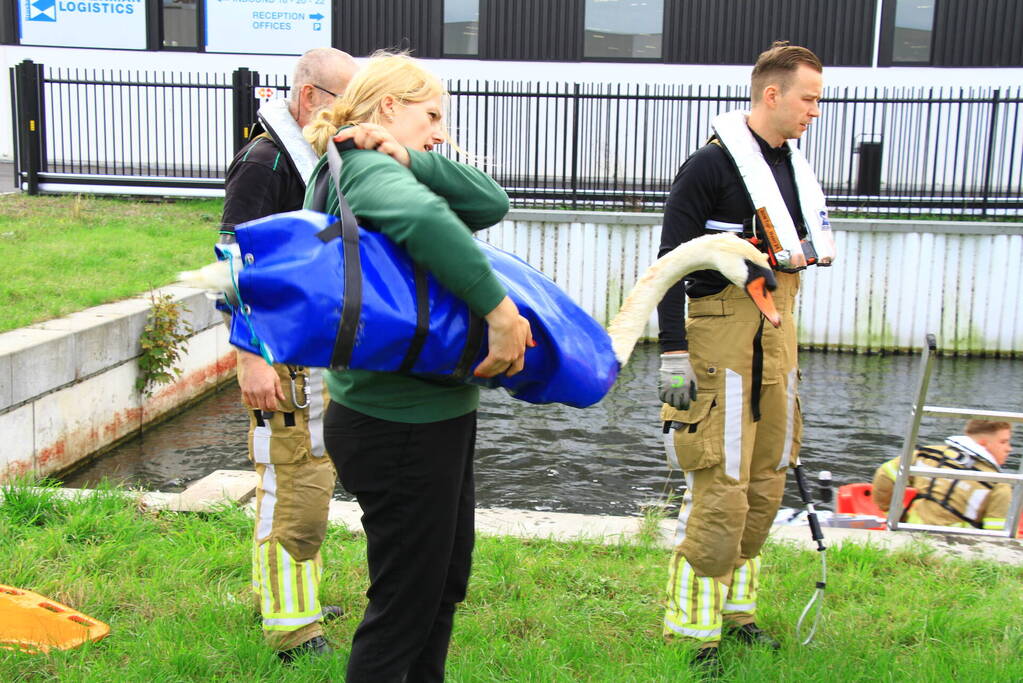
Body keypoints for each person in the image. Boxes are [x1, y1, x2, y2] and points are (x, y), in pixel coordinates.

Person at [303, 52, 532, 682]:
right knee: (404, 605)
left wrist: (416, 156)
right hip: (399, 425)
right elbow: (426, 218)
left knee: (441, 583)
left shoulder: (388, 164)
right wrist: (499, 309)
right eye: (430, 116)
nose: (442, 131)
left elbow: (491, 201)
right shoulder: (362, 167)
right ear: (386, 108)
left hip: (431, 415)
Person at [656, 42, 831, 668]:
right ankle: (692, 632)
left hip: (777, 344)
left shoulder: (792, 171)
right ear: (772, 94)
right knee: (718, 488)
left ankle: (739, 615)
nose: (816, 109)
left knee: (766, 480)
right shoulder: (707, 168)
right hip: (712, 345)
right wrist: (673, 371)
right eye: (809, 97)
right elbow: (667, 269)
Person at [218, 47, 359, 662]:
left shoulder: (306, 159)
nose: (352, 117)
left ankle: (283, 594)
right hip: (274, 351)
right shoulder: (264, 160)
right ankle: (293, 630)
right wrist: (250, 358)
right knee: (289, 479)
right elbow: (231, 264)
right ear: (310, 99)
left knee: (309, 472)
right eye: (345, 103)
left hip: (306, 348)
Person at [873, 420, 1014, 529]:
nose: (1009, 449)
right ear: (983, 443)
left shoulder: (927, 454)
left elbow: (884, 474)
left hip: (910, 531)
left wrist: (892, 513)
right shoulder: (999, 484)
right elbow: (995, 536)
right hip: (959, 549)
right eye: (1003, 442)